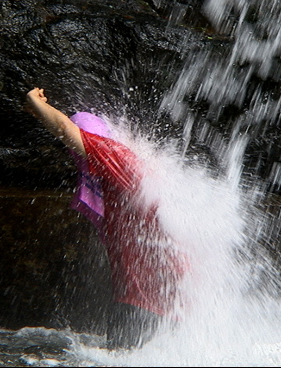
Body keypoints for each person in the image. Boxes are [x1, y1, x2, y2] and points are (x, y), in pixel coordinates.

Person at [25, 88, 187, 349]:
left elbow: (66, 130)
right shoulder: (131, 166)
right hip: (161, 298)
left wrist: (34, 102)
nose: (76, 155)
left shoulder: (114, 157)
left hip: (146, 301)